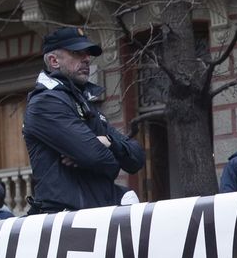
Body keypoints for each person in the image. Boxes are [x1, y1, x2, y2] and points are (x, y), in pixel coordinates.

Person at [24, 26, 146, 213]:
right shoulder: (45, 102)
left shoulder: (82, 101)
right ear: (54, 60)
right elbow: (100, 160)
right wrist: (102, 150)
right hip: (65, 221)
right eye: (77, 53)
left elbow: (136, 159)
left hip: (96, 214)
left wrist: (108, 142)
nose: (87, 59)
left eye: (87, 53)